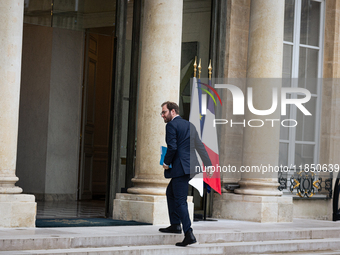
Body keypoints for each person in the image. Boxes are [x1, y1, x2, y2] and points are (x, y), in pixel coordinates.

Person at [159, 101, 212, 247]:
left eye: (164, 112)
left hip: (180, 168)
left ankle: (189, 233)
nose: (162, 115)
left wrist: (165, 162)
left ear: (173, 111)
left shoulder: (171, 125)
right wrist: (208, 164)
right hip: (190, 168)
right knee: (170, 192)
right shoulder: (190, 125)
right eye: (162, 113)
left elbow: (173, 147)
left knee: (180, 201)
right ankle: (175, 224)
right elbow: (199, 146)